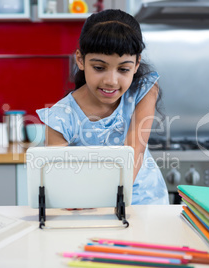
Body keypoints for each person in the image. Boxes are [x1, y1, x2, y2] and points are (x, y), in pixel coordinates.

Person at [36, 9, 169, 205]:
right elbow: (59, 177)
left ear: (136, 64)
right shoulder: (59, 118)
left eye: (123, 69)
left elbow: (134, 149)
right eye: (99, 68)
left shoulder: (143, 90)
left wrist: (116, 198)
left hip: (147, 202)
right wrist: (75, 200)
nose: (111, 81)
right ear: (80, 60)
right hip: (90, 204)